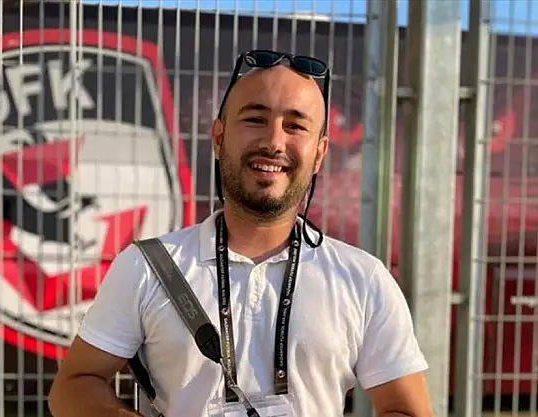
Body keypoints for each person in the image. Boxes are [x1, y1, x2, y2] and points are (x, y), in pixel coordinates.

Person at [49, 50, 433, 417]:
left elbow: (407, 409)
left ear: (319, 153)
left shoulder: (362, 279)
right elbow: (74, 385)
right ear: (218, 137)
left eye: (295, 126)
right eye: (254, 119)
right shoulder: (147, 266)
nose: (274, 142)